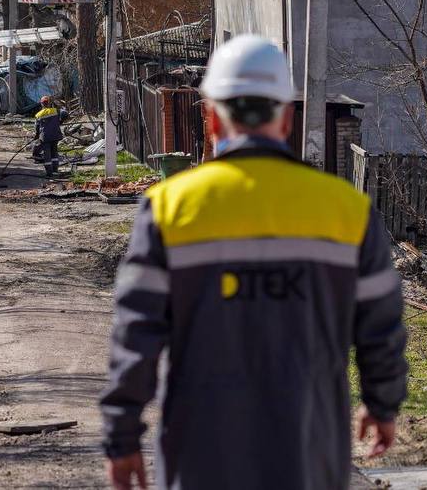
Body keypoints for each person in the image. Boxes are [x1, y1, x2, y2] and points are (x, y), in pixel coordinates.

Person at [99, 34, 407, 490]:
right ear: (286, 118)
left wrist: (121, 436)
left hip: (200, 456)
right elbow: (380, 325)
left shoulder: (169, 208)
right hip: (310, 453)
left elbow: (136, 333)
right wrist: (382, 405)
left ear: (210, 119)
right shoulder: (348, 210)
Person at [34, 95, 65, 177]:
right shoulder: (55, 111)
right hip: (55, 135)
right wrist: (60, 122)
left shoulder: (38, 115)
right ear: (49, 103)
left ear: (42, 104)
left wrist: (37, 136)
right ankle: (55, 170)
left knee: (47, 155)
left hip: (45, 137)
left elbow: (37, 128)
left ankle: (49, 173)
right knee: (54, 153)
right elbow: (65, 113)